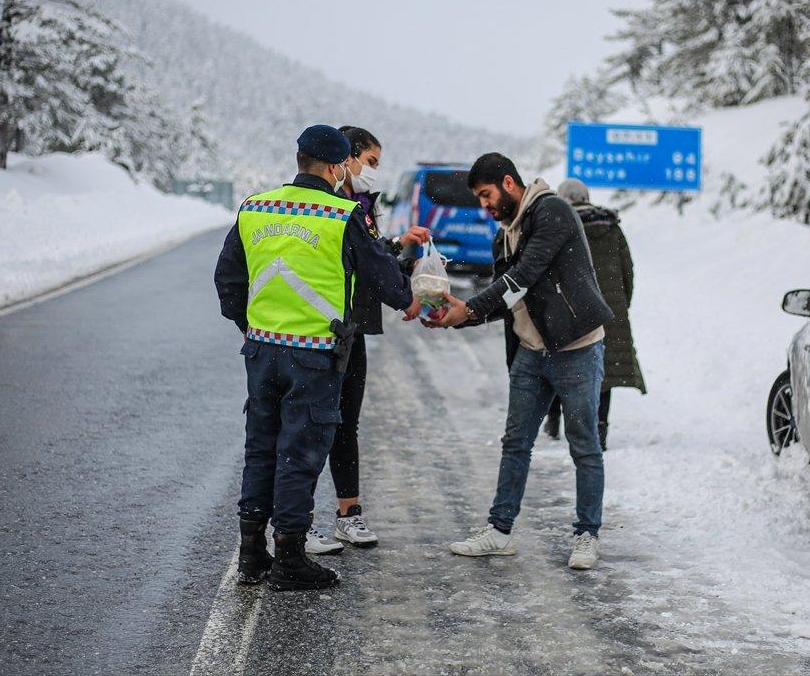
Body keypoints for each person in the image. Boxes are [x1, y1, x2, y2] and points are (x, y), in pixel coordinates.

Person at [213, 124, 417, 591]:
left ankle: (251, 554)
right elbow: (381, 276)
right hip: (314, 354)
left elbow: (227, 279)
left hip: (262, 352)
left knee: (261, 447)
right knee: (299, 454)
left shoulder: (255, 207)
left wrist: (250, 324)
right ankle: (289, 559)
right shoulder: (341, 214)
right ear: (333, 167)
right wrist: (409, 300)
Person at [424, 153, 614, 570]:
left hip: (577, 347)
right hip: (532, 351)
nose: (484, 206)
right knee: (516, 443)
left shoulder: (553, 212)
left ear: (509, 183)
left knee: (584, 445)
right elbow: (508, 298)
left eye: (486, 195)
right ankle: (499, 530)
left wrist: (469, 309)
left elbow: (523, 276)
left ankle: (586, 535)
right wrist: (459, 316)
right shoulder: (503, 235)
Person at [303, 125, 430, 555]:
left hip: (351, 327)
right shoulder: (328, 207)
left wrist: (397, 244)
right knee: (309, 424)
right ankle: (295, 521)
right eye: (371, 163)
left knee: (345, 422)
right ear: (347, 159)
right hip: (321, 329)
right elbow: (362, 262)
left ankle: (348, 514)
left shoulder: (362, 204)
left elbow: (369, 257)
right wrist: (407, 299)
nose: (374, 172)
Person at [544, 178, 645, 451]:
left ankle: (555, 419)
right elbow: (628, 270)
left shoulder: (559, 226)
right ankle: (600, 430)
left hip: (570, 309)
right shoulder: (611, 227)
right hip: (608, 310)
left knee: (559, 363)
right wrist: (621, 305)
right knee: (605, 372)